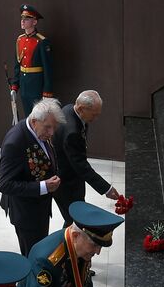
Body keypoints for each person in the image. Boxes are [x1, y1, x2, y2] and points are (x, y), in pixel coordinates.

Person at [0, 101, 64, 256]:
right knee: (32, 258)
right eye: (48, 127)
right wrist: (43, 187)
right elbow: (5, 184)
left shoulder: (38, 130)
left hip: (39, 208)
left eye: (54, 127)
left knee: (40, 252)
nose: (52, 132)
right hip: (26, 213)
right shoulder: (15, 142)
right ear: (34, 121)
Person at [51, 90, 121, 224]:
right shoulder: (72, 132)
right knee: (75, 223)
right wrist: (106, 188)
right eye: (94, 114)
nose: (96, 118)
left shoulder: (70, 110)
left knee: (75, 221)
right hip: (66, 184)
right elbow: (81, 166)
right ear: (81, 108)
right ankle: (67, 245)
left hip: (71, 178)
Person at [10, 5, 53, 118]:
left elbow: (48, 68)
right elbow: (17, 65)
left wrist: (47, 91)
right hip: (24, 85)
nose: (23, 21)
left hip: (37, 85)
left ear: (34, 22)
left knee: (39, 118)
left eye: (27, 18)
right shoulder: (20, 40)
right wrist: (15, 86)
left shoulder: (42, 41)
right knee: (28, 117)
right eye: (22, 18)